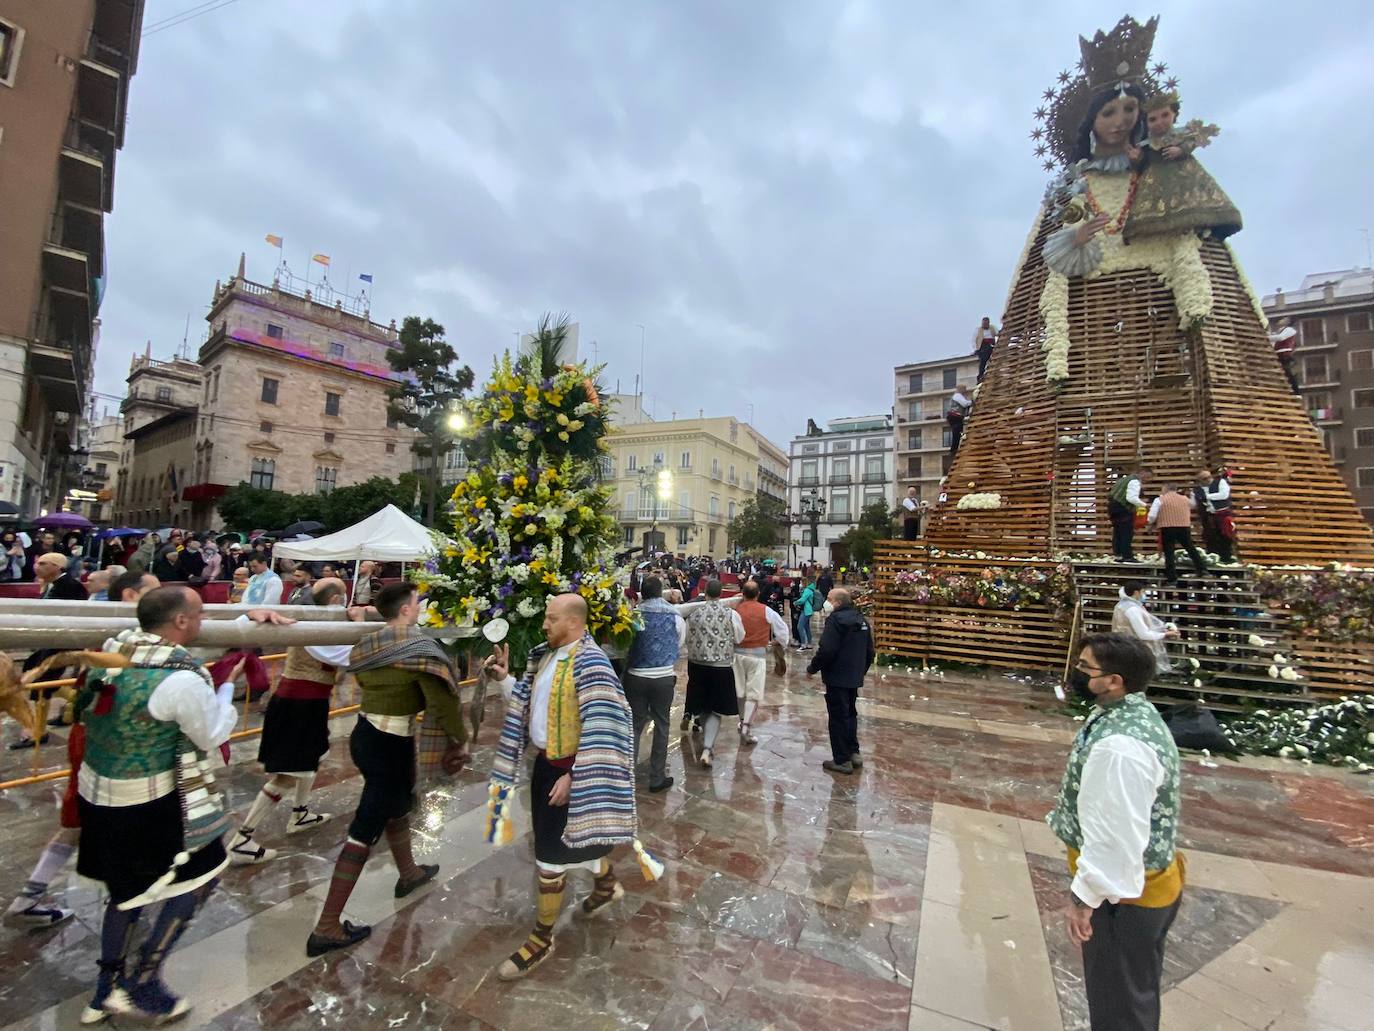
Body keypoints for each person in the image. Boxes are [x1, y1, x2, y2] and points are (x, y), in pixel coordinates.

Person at [75, 587, 245, 1024]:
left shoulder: (118, 648)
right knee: (201, 875)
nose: (205, 621)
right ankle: (143, 981)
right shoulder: (182, 680)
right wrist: (226, 689)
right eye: (201, 614)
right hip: (151, 801)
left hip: (98, 791)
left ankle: (105, 986)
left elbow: (186, 644)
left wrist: (254, 618)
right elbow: (211, 734)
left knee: (125, 890)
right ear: (183, 622)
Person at [484, 593, 658, 981]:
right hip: (546, 767)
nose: (544, 625)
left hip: (571, 772)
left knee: (550, 855)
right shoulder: (545, 656)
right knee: (579, 841)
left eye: (550, 619)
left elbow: (607, 726)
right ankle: (607, 886)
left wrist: (575, 774)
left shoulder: (593, 663)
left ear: (574, 622)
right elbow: (534, 705)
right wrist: (504, 680)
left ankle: (542, 939)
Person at [306, 582, 469, 957]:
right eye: (417, 603)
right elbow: (442, 706)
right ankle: (327, 925)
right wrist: (458, 741)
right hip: (388, 745)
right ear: (407, 610)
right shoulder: (418, 650)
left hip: (365, 735)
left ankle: (409, 873)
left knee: (398, 805)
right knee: (365, 829)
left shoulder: (369, 643)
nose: (421, 608)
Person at [1049, 633, 1183, 1031]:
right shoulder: (1123, 713)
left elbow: (1115, 831)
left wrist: (1084, 896)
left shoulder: (1120, 746)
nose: (1077, 672)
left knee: (1119, 1003)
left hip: (1123, 897)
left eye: (1086, 668)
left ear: (1114, 680)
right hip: (1133, 887)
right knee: (1129, 991)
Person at [229, 579, 365, 865]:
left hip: (311, 703)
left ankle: (300, 813)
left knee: (312, 758)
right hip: (296, 705)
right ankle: (242, 838)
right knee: (286, 775)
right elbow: (346, 656)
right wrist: (360, 625)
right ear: (336, 599)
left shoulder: (323, 624)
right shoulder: (308, 627)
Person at [622, 576, 685, 794]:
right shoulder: (674, 614)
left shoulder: (633, 614)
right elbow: (679, 640)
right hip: (663, 676)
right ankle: (657, 776)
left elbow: (625, 642)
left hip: (636, 675)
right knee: (662, 725)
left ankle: (626, 775)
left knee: (635, 725)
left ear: (642, 592)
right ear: (661, 592)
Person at [805, 589, 874, 775]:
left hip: (837, 677)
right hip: (853, 678)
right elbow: (870, 651)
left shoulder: (835, 621)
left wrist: (812, 668)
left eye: (828, 599)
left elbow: (827, 650)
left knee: (838, 717)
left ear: (837, 602)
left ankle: (842, 759)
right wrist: (860, 672)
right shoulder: (861, 620)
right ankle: (853, 752)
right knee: (850, 714)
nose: (826, 602)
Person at [677, 579, 743, 767]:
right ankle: (707, 747)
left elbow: (684, 639)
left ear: (704, 593)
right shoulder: (731, 614)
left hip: (697, 664)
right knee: (716, 709)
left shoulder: (694, 613)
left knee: (704, 705)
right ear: (721, 594)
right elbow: (739, 636)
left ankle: (705, 739)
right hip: (721, 665)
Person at [731, 580, 789, 746]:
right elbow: (782, 630)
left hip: (737, 655)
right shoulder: (766, 611)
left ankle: (742, 721)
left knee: (740, 692)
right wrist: (778, 643)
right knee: (754, 694)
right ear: (758, 594)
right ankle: (746, 727)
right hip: (757, 656)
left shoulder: (736, 609)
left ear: (743, 594)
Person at [1112, 580, 1179, 675]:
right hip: (1134, 651)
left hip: (1124, 647)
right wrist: (1165, 634)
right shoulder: (1132, 609)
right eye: (1143, 592)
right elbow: (1143, 634)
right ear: (1136, 593)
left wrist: (1162, 629)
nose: (1144, 595)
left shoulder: (1122, 605)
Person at [1147, 484, 1208, 584]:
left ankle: (1172, 577)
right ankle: (1202, 569)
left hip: (1167, 527)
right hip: (1184, 526)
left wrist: (1150, 523)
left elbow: (1152, 515)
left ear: (1165, 489)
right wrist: (1193, 494)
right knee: (1190, 548)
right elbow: (1193, 504)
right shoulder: (1184, 499)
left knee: (1169, 552)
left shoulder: (1160, 500)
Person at [1192, 467, 1235, 564]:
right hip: (1208, 516)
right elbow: (1193, 504)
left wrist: (1206, 497)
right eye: (1204, 478)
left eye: (1208, 477)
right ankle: (1213, 559)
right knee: (1210, 538)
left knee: (1226, 537)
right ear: (1199, 480)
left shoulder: (1221, 482)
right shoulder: (1196, 490)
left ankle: (1226, 559)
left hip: (1222, 515)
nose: (1208, 479)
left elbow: (1223, 495)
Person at [1107, 465, 1149, 563]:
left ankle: (1118, 555)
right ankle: (1127, 556)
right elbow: (1131, 498)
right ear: (1142, 473)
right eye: (1147, 477)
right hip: (1123, 508)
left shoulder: (1123, 480)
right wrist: (1144, 505)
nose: (1147, 480)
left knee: (1117, 532)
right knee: (1127, 532)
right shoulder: (1135, 481)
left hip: (1113, 507)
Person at [1268, 318, 1299, 393]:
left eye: (1283, 319)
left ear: (1288, 322)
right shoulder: (1277, 332)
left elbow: (1281, 337)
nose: (1279, 320)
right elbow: (1274, 343)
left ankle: (1296, 391)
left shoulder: (1290, 329)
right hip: (1277, 354)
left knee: (1288, 373)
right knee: (1282, 374)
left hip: (1285, 353)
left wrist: (1266, 337)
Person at [946, 384, 973, 456]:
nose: (965, 391)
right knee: (957, 432)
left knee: (958, 433)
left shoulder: (958, 396)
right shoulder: (957, 395)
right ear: (961, 389)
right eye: (964, 389)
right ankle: (953, 449)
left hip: (955, 417)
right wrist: (973, 401)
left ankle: (955, 449)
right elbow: (965, 404)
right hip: (955, 416)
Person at [793, 578, 818, 649]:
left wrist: (795, 602)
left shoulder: (807, 590)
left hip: (806, 611)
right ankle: (809, 643)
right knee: (806, 627)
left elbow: (803, 600)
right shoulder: (810, 590)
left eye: (801, 583)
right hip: (808, 611)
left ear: (804, 583)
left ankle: (803, 643)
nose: (800, 584)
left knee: (800, 626)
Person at [973, 316, 998, 382]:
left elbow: (997, 333)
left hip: (991, 345)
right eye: (984, 323)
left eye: (986, 323)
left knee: (993, 359)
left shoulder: (992, 327)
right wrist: (976, 349)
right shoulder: (978, 329)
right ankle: (981, 375)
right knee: (983, 361)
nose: (985, 325)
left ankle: (993, 372)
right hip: (983, 346)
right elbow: (974, 340)